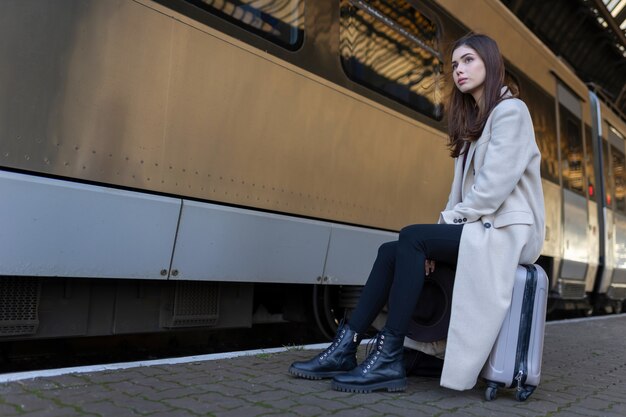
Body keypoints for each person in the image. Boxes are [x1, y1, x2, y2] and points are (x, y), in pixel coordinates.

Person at [288, 33, 545, 393]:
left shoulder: (511, 112)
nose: (459, 70)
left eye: (469, 60)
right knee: (391, 251)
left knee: (413, 238)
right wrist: (437, 238)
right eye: (455, 64)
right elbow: (462, 197)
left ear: (490, 61)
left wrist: (438, 232)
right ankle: (345, 347)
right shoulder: (476, 123)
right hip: (481, 227)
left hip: (505, 232)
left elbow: (491, 189)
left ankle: (389, 356)